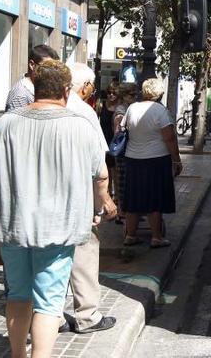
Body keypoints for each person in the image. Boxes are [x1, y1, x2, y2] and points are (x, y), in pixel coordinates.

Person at [0, 60, 116, 358]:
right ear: (66, 91)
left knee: (17, 295)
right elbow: (101, 175)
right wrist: (98, 207)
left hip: (13, 225)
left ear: (35, 87)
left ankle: (17, 355)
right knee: (49, 302)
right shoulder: (80, 125)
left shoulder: (5, 123)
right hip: (60, 228)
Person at [62, 62, 118, 334]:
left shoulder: (41, 108)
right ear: (84, 87)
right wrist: (103, 201)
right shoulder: (84, 112)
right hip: (79, 194)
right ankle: (87, 316)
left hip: (48, 198)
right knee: (83, 252)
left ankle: (54, 315)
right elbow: (99, 166)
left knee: (52, 257)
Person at [121, 78, 182, 248]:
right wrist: (176, 159)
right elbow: (169, 137)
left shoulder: (132, 108)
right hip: (156, 160)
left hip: (133, 159)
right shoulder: (160, 111)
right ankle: (157, 237)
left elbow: (122, 127)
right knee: (155, 199)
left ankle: (130, 235)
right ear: (160, 93)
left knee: (133, 198)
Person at [111, 82, 139, 222]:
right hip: (123, 151)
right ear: (124, 96)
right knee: (122, 182)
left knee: (127, 182)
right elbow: (118, 131)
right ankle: (122, 212)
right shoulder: (121, 110)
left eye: (136, 94)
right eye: (131, 95)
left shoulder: (129, 108)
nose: (135, 97)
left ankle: (129, 211)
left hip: (129, 151)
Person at [5, 44, 59, 112]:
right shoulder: (20, 95)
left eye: (54, 68)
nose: (51, 72)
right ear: (32, 65)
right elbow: (17, 122)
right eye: (47, 67)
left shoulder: (43, 87)